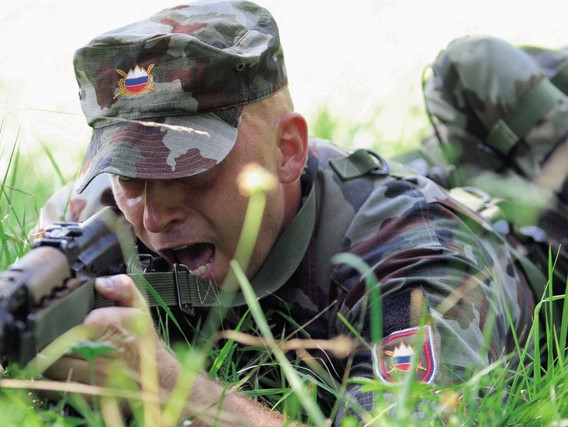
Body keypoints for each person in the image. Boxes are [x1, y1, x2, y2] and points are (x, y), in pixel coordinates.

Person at [40, 1, 541, 425]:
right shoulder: (94, 222)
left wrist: (174, 388)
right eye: (130, 173)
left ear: (288, 150)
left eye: (189, 170)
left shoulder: (421, 260)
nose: (153, 217)